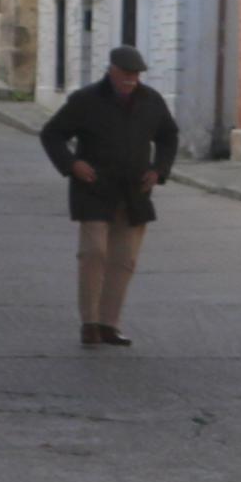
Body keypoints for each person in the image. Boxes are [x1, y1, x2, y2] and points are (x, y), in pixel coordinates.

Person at [37, 45, 177, 349]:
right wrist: (72, 163)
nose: (131, 80)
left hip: (134, 190)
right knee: (94, 252)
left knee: (124, 259)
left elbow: (168, 136)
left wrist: (159, 169)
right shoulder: (86, 100)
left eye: (136, 74)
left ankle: (109, 324)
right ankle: (89, 322)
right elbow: (52, 133)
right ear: (111, 71)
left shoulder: (151, 101)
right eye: (126, 73)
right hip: (94, 187)